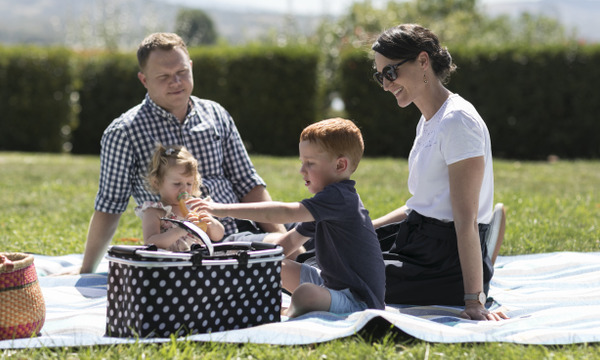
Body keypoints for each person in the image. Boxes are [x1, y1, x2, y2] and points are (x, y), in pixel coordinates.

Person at [80, 32, 285, 273]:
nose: (175, 82)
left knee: (314, 229)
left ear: (191, 66)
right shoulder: (124, 132)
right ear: (144, 80)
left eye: (181, 72)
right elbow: (110, 206)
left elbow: (247, 183)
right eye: (164, 76)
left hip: (239, 231)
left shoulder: (216, 113)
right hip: (182, 248)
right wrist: (86, 270)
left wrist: (281, 236)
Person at [370, 24, 508, 321]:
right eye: (380, 76)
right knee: (320, 252)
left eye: (390, 73)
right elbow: (421, 202)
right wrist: (367, 226)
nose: (385, 84)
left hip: (443, 259)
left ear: (423, 61)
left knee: (340, 273)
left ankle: (482, 264)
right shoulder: (429, 120)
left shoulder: (457, 121)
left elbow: (465, 220)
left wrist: (473, 300)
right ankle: (486, 256)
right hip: (420, 238)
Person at [191, 118, 386, 318]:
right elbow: (291, 241)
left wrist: (223, 210)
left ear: (340, 165)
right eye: (302, 162)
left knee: (306, 293)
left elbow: (285, 213)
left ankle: (285, 313)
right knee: (272, 264)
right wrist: (252, 263)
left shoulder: (340, 198)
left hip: (359, 302)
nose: (302, 171)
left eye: (310, 163)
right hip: (331, 285)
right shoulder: (326, 204)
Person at [136, 144, 224, 251]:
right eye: (177, 184)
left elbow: (218, 236)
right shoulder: (155, 212)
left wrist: (211, 222)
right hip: (171, 263)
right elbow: (150, 242)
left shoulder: (195, 207)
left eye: (189, 184)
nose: (184, 189)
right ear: (157, 183)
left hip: (197, 261)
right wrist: (180, 230)